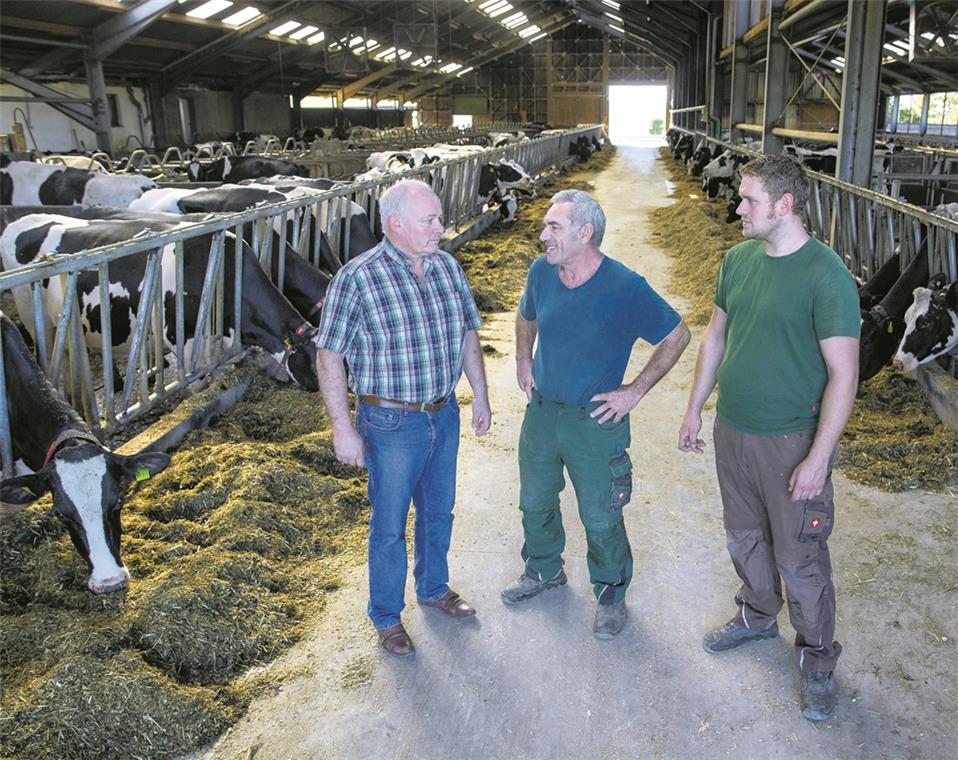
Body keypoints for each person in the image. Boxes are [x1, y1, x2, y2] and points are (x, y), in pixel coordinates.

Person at [677, 154, 860, 721]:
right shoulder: (736, 261)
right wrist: (694, 408)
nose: (737, 208)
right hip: (734, 431)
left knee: (801, 557)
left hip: (791, 442)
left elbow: (844, 374)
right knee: (744, 538)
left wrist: (819, 458)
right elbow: (714, 337)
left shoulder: (826, 276)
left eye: (748, 199)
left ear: (785, 205)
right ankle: (757, 616)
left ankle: (817, 658)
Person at [502, 189, 690, 639]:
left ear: (585, 233)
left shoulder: (624, 287)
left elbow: (678, 335)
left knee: (602, 515)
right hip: (542, 414)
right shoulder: (541, 273)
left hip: (596, 423)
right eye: (546, 225)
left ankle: (610, 593)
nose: (543, 234)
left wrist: (635, 391)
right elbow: (525, 314)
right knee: (535, 502)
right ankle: (543, 569)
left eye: (554, 227)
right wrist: (522, 358)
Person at [316, 179, 491, 656]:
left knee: (439, 510)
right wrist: (341, 427)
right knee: (390, 523)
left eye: (438, 219)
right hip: (390, 423)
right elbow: (328, 355)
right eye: (429, 220)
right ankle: (387, 616)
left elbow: (467, 336)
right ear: (395, 224)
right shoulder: (357, 278)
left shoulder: (448, 268)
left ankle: (434, 588)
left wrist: (481, 394)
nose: (440, 227)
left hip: (443, 412)